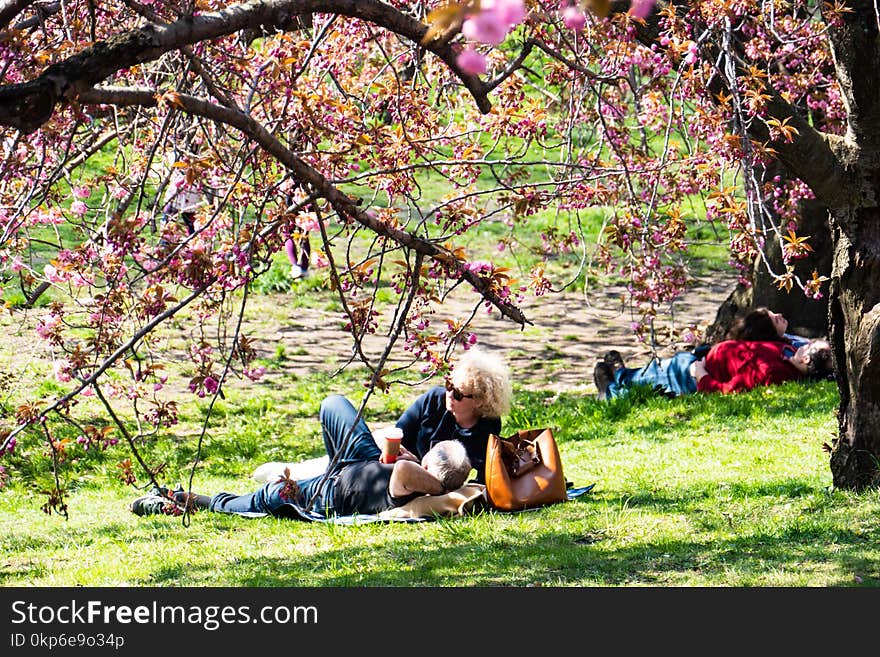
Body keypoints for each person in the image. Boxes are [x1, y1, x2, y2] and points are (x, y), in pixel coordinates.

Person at [131, 435, 472, 519]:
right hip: (351, 464)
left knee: (265, 497)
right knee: (335, 404)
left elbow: (401, 469)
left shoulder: (413, 483)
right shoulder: (415, 475)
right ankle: (179, 497)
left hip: (328, 493)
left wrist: (435, 480)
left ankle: (184, 500)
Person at [594, 337, 834, 400]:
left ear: (806, 360)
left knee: (655, 375)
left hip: (693, 372)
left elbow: (728, 390)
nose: (805, 344)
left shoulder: (772, 372)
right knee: (654, 372)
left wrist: (701, 375)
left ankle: (612, 389)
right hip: (703, 356)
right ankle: (621, 374)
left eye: (810, 346)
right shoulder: (787, 355)